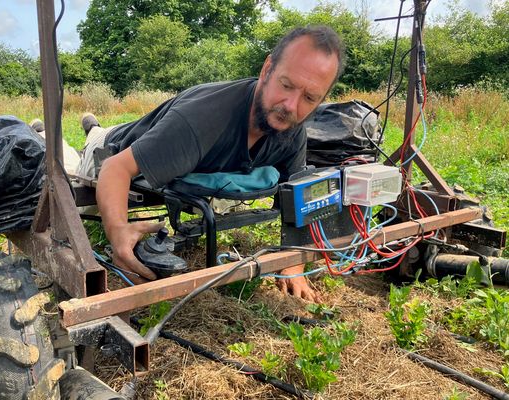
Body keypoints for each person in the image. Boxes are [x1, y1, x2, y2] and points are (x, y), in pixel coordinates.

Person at [79, 25, 344, 302]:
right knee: (83, 152)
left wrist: (294, 263)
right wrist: (118, 231)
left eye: (309, 97)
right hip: (110, 147)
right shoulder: (201, 120)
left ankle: (93, 125)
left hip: (161, 140)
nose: (291, 105)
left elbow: (297, 194)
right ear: (267, 69)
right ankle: (90, 130)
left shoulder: (294, 131)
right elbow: (115, 168)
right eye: (286, 85)